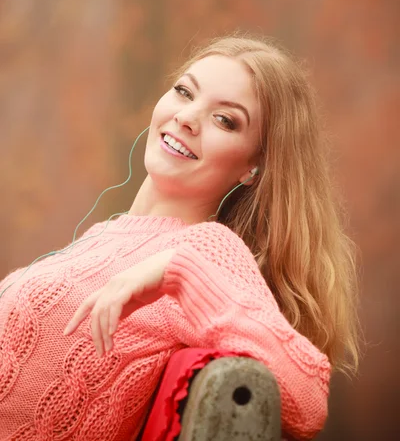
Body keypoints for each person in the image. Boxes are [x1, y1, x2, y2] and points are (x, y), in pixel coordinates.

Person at [0, 36, 360, 441]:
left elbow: (308, 401)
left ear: (253, 168)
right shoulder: (109, 234)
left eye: (226, 120)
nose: (187, 117)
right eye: (184, 92)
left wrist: (179, 268)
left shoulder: (206, 254)